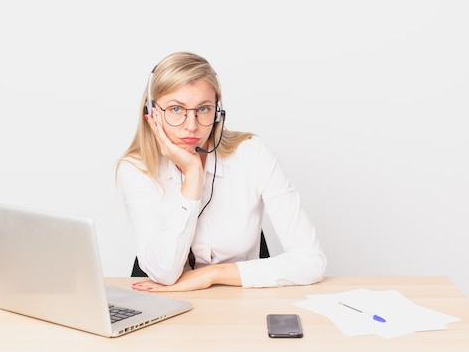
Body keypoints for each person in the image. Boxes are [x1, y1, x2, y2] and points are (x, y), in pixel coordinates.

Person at [116, 51, 326, 292]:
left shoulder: (251, 153)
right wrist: (193, 176)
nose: (191, 125)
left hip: (238, 305)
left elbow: (312, 261)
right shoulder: (136, 169)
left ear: (217, 113)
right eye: (176, 109)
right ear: (152, 113)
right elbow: (163, 272)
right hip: (167, 305)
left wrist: (213, 274)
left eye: (203, 109)